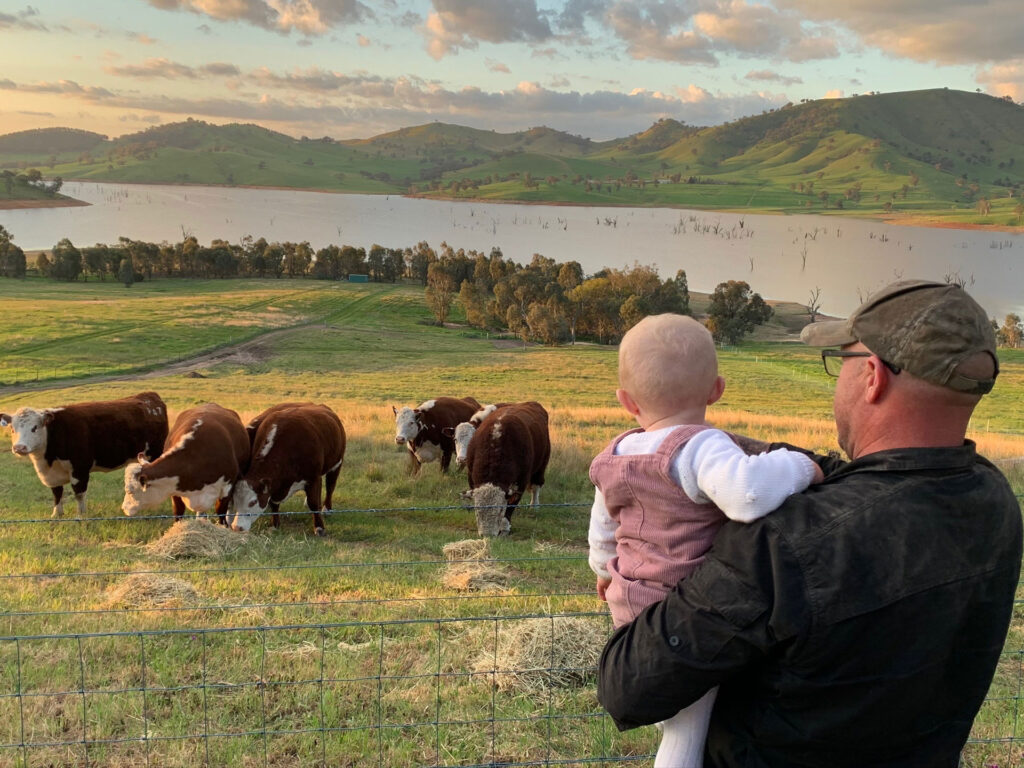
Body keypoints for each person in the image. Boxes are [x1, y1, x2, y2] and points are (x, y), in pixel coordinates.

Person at [597, 279, 1023, 768]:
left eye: (839, 360)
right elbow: (874, 478)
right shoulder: (992, 501)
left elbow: (628, 686)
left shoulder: (788, 540)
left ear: (872, 376)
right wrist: (694, 451)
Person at [588, 313, 823, 767]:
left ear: (625, 401)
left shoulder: (614, 455)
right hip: (683, 611)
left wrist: (601, 571)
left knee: (678, 713)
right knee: (686, 730)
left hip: (628, 601)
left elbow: (603, 526)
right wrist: (800, 466)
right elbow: (747, 493)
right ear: (717, 390)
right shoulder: (699, 446)